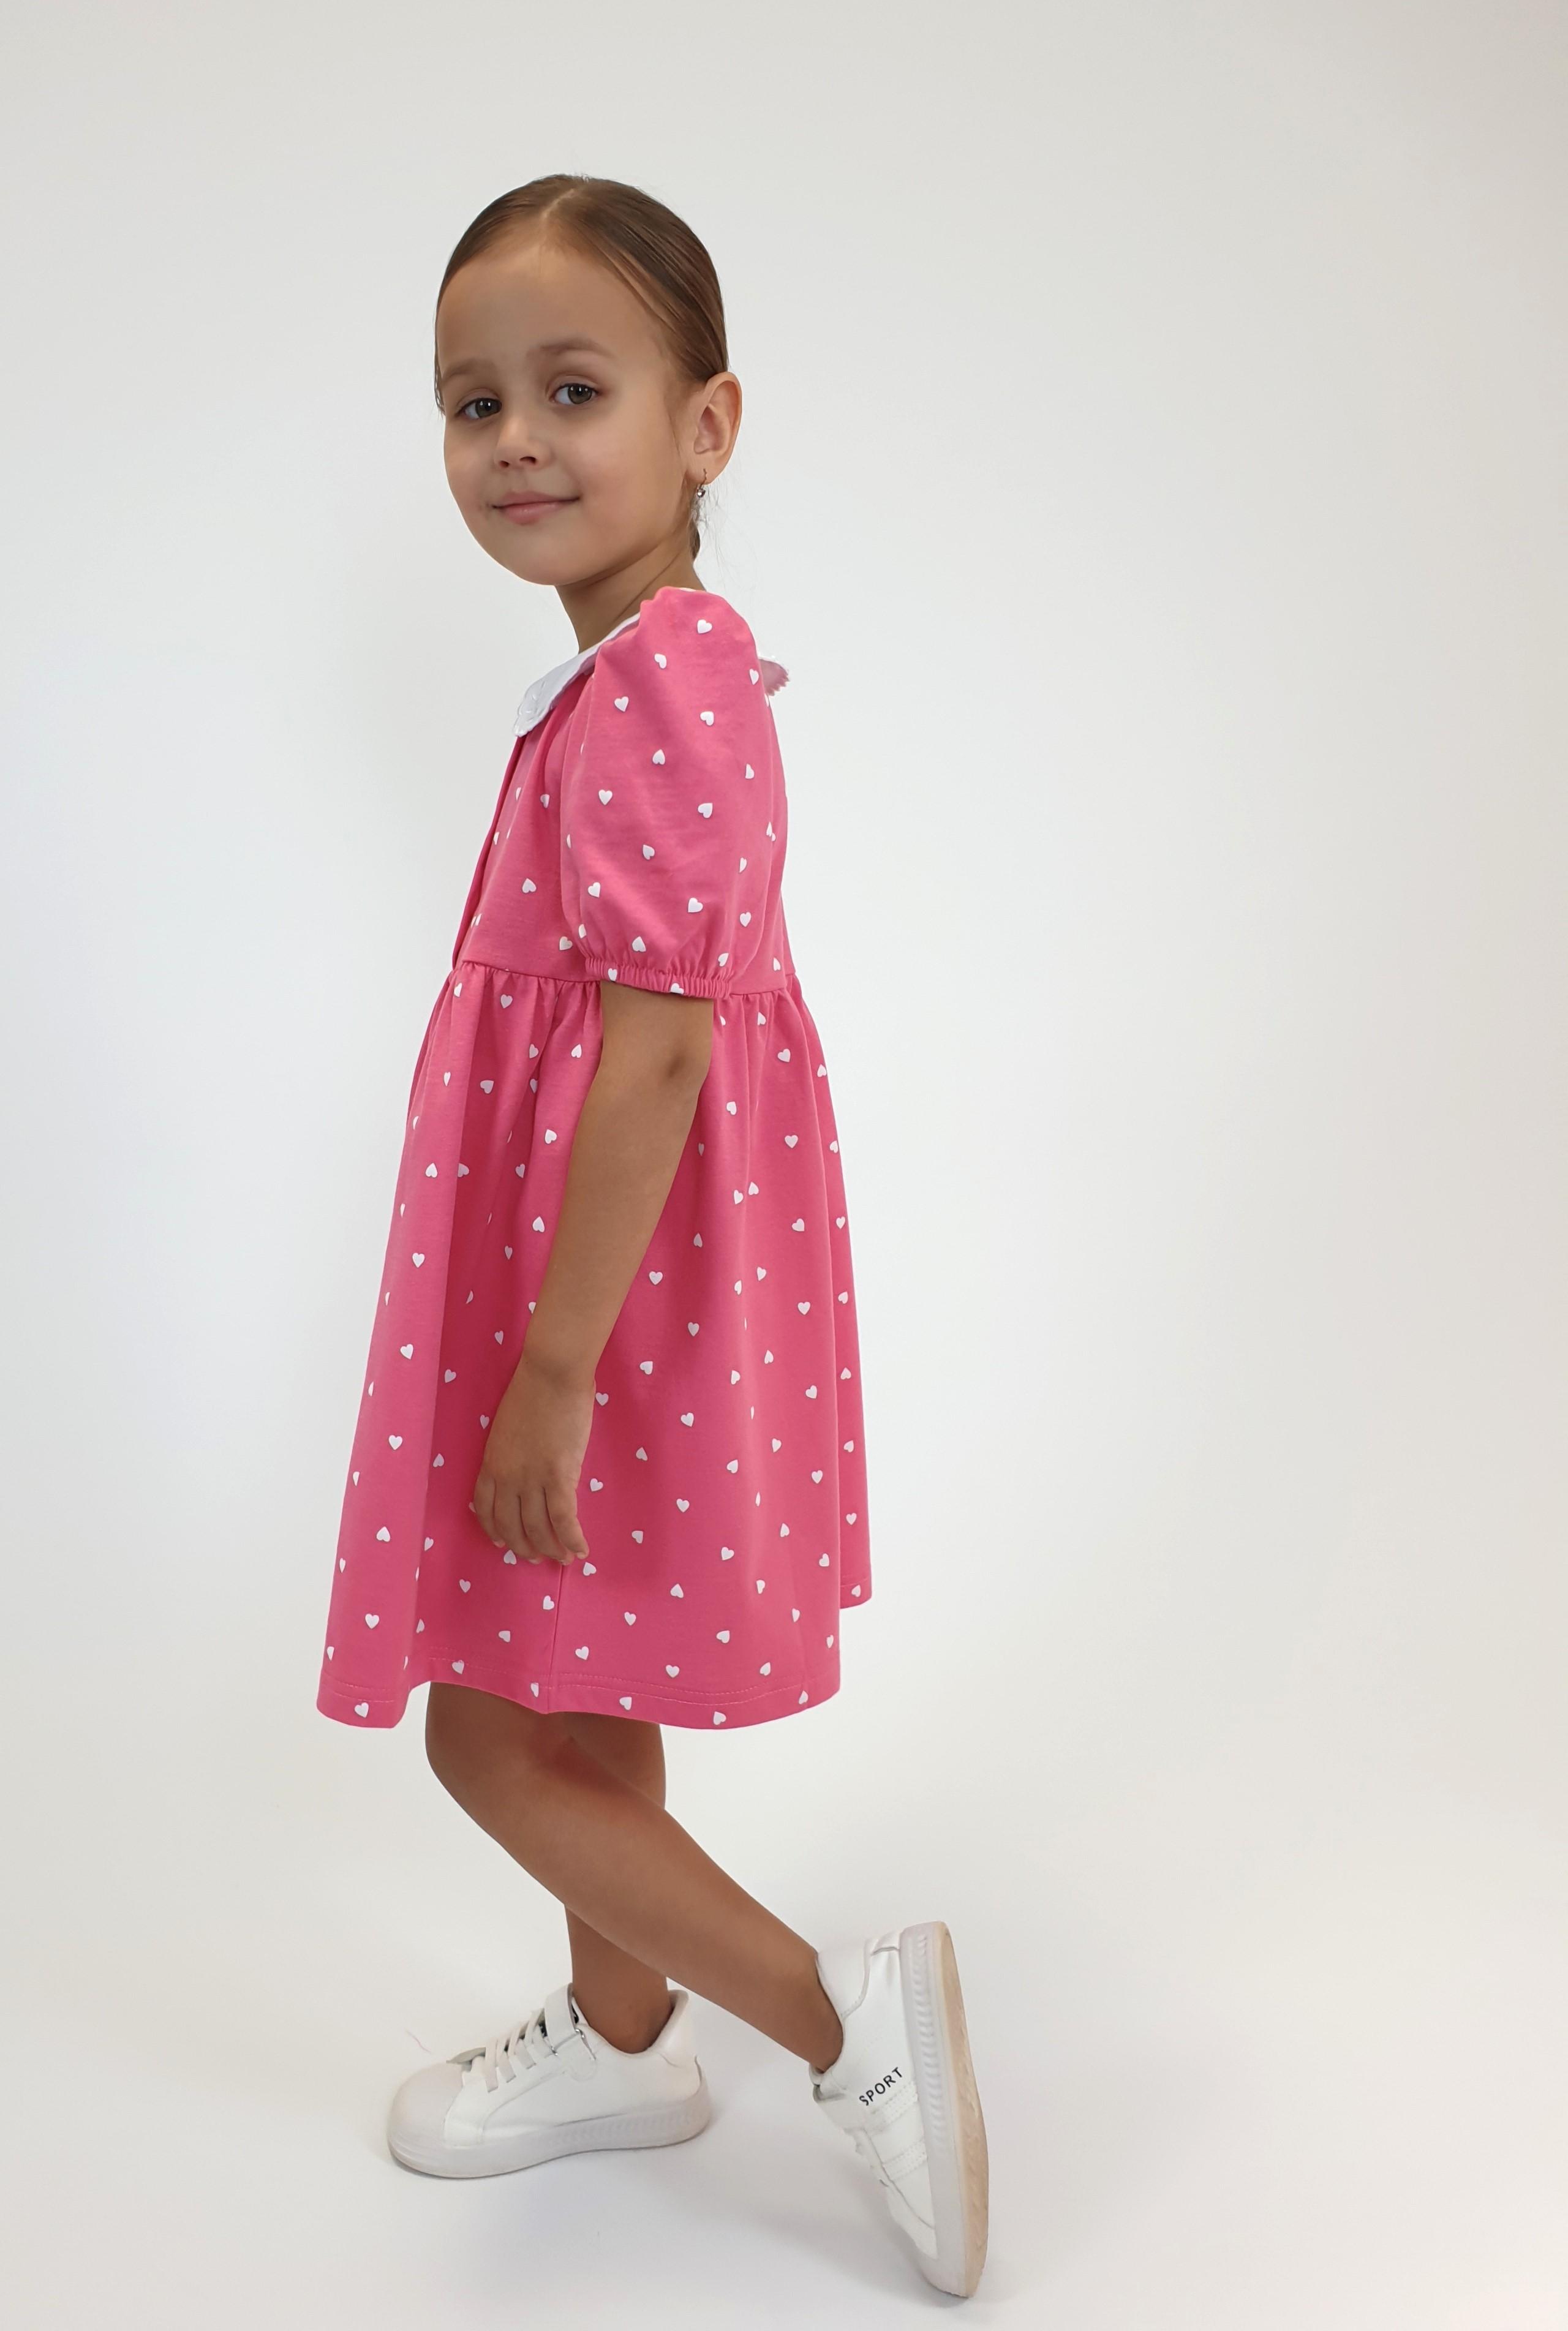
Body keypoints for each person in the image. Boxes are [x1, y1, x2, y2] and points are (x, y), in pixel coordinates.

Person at [315, 173, 987, 2299]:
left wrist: (552, 1363)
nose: (516, 440)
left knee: (479, 1728)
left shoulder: (669, 682)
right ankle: (621, 2046)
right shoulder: (628, 672)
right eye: (473, 402)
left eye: (574, 391)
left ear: (707, 427)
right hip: (599, 1261)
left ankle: (839, 2028)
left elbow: (666, 1051)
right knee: (570, 1671)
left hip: (610, 1291)